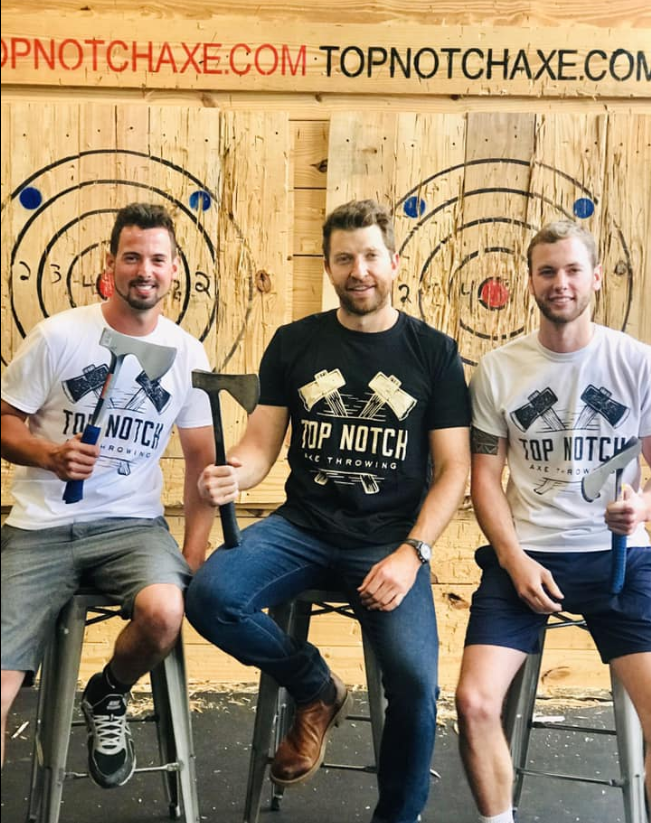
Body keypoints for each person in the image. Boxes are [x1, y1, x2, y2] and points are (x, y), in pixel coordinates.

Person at [185, 198, 471, 823]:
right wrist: (235, 475)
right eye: (345, 258)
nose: (358, 270)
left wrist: (411, 553)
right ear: (329, 267)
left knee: (417, 688)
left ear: (394, 263)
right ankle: (317, 687)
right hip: (302, 529)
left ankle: (397, 816)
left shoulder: (434, 354)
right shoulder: (296, 342)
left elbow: (455, 470)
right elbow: (261, 447)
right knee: (209, 596)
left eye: (370, 256)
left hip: (389, 543)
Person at [1, 203, 216, 789]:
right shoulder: (58, 337)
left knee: (164, 611)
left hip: (131, 527)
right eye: (132, 257)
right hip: (39, 527)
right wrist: (48, 455)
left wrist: (193, 551)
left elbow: (202, 457)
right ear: (110, 264)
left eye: (157, 259)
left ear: (175, 272)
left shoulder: (186, 355)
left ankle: (107, 693)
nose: (143, 270)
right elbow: (3, 421)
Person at [455, 220, 651, 823]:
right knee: (474, 701)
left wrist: (642, 509)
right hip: (527, 558)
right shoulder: (498, 369)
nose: (560, 283)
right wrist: (513, 560)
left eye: (572, 270)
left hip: (621, 558)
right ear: (530, 282)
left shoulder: (636, 363)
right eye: (547, 271)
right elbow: (484, 477)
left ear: (595, 277)